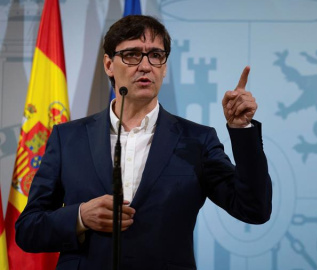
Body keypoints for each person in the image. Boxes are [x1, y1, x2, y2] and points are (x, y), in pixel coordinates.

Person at [15, 15, 272, 270]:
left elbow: (254, 209)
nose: (145, 66)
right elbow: (28, 230)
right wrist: (80, 217)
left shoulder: (197, 140)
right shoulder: (68, 138)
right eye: (132, 55)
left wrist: (242, 130)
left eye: (156, 55)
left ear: (164, 66)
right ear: (108, 64)